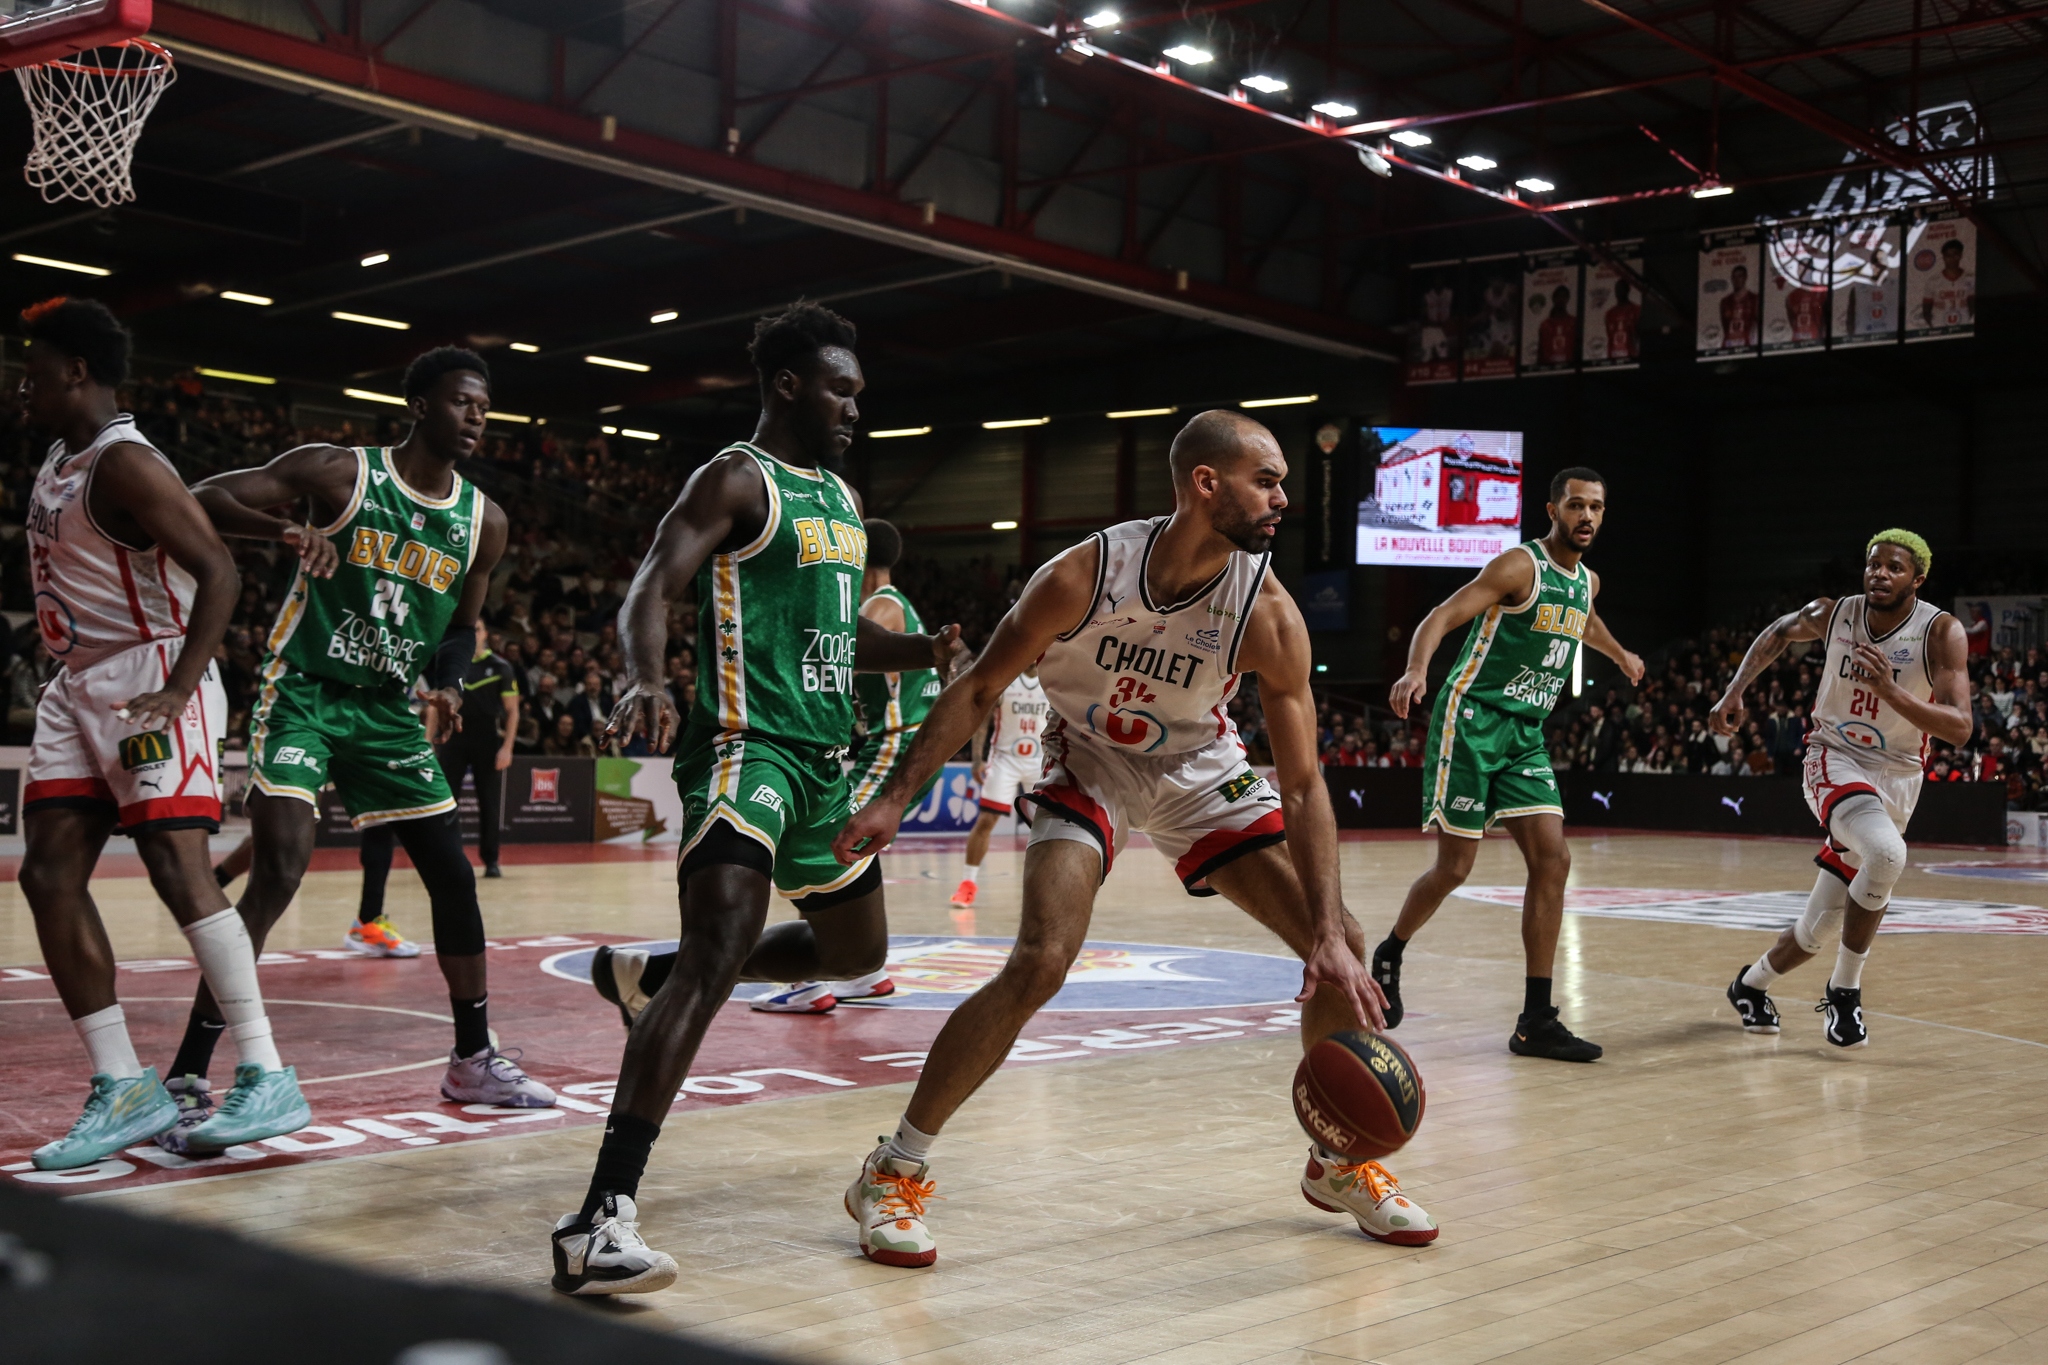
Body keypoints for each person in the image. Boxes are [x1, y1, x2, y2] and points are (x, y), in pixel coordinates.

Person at [829, 409, 1432, 1272]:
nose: (1284, 498)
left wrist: (1330, 926)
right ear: (1205, 483)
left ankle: (1339, 1162)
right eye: (1267, 479)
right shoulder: (1082, 575)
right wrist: (895, 797)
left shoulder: (1265, 608)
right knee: (1040, 959)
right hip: (1092, 764)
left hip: (1199, 770)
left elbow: (1301, 783)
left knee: (1337, 947)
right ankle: (891, 1169)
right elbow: (981, 684)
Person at [551, 302, 961, 1297]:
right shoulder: (737, 477)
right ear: (787, 385)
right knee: (722, 944)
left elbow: (840, 635)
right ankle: (599, 1217)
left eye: (858, 393)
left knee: (854, 956)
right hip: (746, 750)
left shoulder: (841, 499)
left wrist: (924, 650)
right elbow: (651, 581)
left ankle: (649, 976)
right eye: (839, 389)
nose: (854, 408)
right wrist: (644, 675)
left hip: (827, 759)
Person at [158, 346, 555, 1157]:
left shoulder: (485, 521)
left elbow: (461, 626)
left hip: (385, 710)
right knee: (281, 868)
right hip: (303, 690)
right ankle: (188, 1074)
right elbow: (199, 498)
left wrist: (445, 683)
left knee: (450, 870)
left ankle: (473, 1059)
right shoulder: (339, 472)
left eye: (484, 406)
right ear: (417, 405)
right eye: (460, 402)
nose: (476, 417)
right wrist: (288, 531)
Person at [15, 297, 310, 1168]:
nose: (22, 383)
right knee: (46, 873)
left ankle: (265, 1070)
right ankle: (123, 1086)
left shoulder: (127, 461)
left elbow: (217, 569)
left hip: (152, 671)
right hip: (79, 684)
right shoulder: (60, 459)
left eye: (34, 368)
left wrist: (180, 688)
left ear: (77, 369)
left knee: (179, 868)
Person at [1375, 468, 1644, 1062]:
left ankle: (1536, 1020)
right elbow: (1440, 616)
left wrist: (1619, 652)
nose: (1587, 517)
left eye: (1597, 507)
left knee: (1554, 859)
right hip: (1471, 721)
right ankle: (1391, 951)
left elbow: (1583, 618)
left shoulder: (1587, 581)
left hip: (1525, 732)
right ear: (1553, 509)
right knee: (1455, 868)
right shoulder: (1518, 567)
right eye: (1577, 505)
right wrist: (1417, 669)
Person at [1715, 532, 1970, 1047]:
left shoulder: (1940, 631)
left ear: (1916, 579)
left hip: (1899, 776)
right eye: (1873, 564)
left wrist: (1890, 691)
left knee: (1817, 928)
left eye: (1893, 568)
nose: (1878, 574)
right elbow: (1778, 632)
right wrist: (1734, 689)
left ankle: (1749, 985)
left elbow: (1960, 728)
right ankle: (1845, 991)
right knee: (1887, 853)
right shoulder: (1836, 614)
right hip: (1834, 756)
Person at [740, 516, 938, 1013]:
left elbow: (842, 657)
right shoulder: (902, 604)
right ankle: (865, 974)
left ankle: (809, 980)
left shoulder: (877, 607)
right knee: (847, 849)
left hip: (894, 740)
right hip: (902, 738)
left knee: (831, 843)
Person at [950, 661, 1045, 909]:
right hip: (1005, 759)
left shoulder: (1053, 679)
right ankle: (967, 884)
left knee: (1049, 826)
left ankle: (1049, 887)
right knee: (986, 821)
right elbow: (983, 722)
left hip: (1041, 761)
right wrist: (977, 759)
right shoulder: (1006, 679)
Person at [1721, 263, 1758, 348]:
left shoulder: (1754, 299)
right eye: (1734, 277)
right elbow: (1725, 327)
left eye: (1740, 276)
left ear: (1745, 278)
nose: (1736, 280)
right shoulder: (1725, 301)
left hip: (1747, 345)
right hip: (1728, 347)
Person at [1537, 283, 1576, 364]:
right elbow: (1540, 352)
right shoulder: (1545, 325)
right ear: (1553, 299)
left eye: (1564, 296)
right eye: (1559, 296)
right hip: (1549, 370)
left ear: (1568, 299)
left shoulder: (1574, 322)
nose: (1561, 299)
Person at [1603, 277, 1640, 361]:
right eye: (1617, 289)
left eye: (1622, 289)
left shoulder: (1636, 309)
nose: (1619, 292)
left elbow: (1638, 335)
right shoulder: (1609, 313)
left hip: (1631, 357)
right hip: (1613, 357)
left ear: (1628, 290)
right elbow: (1610, 336)